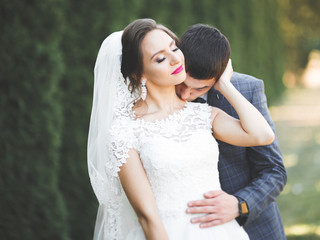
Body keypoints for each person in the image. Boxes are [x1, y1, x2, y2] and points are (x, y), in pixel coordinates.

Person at [88, 18, 274, 240]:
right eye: (160, 58)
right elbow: (147, 216)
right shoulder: (125, 131)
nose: (176, 58)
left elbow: (263, 135)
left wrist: (223, 83)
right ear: (140, 74)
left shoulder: (203, 115)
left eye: (174, 47)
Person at [176, 24, 287, 239]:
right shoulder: (161, 92)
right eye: (182, 83)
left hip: (253, 228)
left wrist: (240, 204)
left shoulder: (247, 90)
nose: (186, 94)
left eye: (199, 89)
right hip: (187, 225)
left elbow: (274, 171)